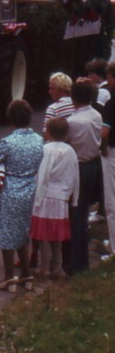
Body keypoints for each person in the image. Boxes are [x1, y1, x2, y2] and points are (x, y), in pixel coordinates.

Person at [0, 100, 43, 292]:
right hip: (29, 189)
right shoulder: (38, 140)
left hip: (9, 190)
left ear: (11, 119)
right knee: (22, 232)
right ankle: (26, 274)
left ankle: (9, 278)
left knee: (5, 232)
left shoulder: (7, 142)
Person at [30, 117, 78, 280]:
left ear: (48, 132)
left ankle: (44, 267)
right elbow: (74, 174)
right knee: (56, 234)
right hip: (61, 197)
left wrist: (36, 193)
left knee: (43, 233)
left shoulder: (47, 149)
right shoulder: (70, 151)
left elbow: (42, 173)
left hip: (45, 195)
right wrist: (72, 195)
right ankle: (57, 266)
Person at [65, 79, 102, 274]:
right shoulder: (96, 115)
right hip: (92, 165)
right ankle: (82, 260)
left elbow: (65, 143)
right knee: (83, 212)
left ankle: (75, 263)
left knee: (76, 215)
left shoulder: (73, 122)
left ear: (73, 97)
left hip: (78, 167)